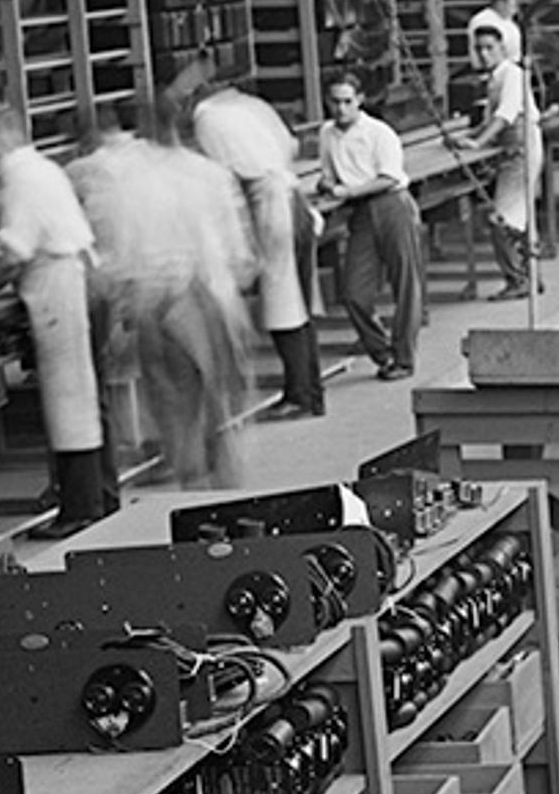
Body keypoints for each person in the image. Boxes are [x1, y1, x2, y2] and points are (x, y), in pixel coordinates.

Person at [77, 119, 254, 491]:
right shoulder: (210, 174)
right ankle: (228, 489)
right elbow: (240, 256)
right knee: (218, 404)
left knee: (176, 408)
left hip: (159, 302)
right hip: (207, 298)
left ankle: (195, 488)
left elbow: (119, 252)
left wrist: (122, 298)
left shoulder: (130, 182)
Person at [0, 107, 113, 530]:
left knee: (70, 404)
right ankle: (101, 497)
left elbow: (15, 253)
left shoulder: (19, 178)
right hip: (79, 278)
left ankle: (80, 510)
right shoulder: (42, 167)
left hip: (60, 287)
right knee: (88, 400)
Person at [188, 71, 325, 419]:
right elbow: (290, 146)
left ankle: (300, 395)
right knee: (299, 304)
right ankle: (310, 391)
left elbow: (223, 182)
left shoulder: (206, 118)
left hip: (273, 207)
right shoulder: (249, 106)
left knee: (284, 307)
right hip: (294, 200)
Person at [312, 72, 422, 381]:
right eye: (335, 102)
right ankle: (382, 352)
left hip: (392, 205)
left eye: (348, 101)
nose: (341, 109)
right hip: (360, 214)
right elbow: (329, 173)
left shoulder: (379, 133)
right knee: (354, 292)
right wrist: (328, 183)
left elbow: (388, 176)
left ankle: (403, 358)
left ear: (359, 100)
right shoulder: (327, 134)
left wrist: (348, 190)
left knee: (406, 285)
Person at [447, 11, 536, 294]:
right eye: (479, 48)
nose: (484, 54)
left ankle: (518, 279)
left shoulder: (512, 73)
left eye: (489, 48)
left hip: (521, 147)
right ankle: (530, 275)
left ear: (503, 49)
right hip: (512, 148)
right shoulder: (495, 78)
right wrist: (466, 137)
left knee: (502, 218)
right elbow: (489, 120)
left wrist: (478, 143)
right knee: (517, 216)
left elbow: (506, 115)